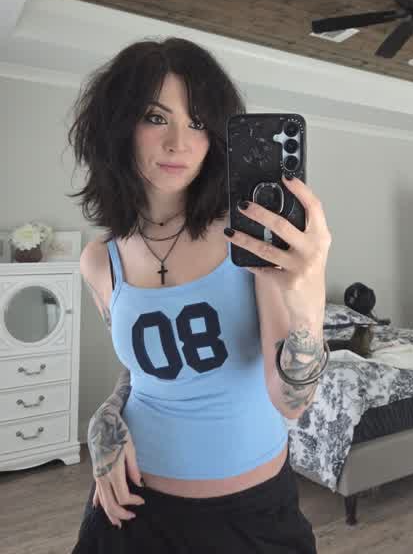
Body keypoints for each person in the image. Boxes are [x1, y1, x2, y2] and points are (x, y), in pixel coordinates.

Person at [68, 37, 331, 553]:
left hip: (251, 519)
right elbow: (144, 368)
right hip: (132, 512)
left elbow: (292, 402)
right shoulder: (100, 261)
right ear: (118, 125)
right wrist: (106, 418)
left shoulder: (249, 238)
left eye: (198, 123)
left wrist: (308, 296)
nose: (179, 143)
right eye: (156, 117)